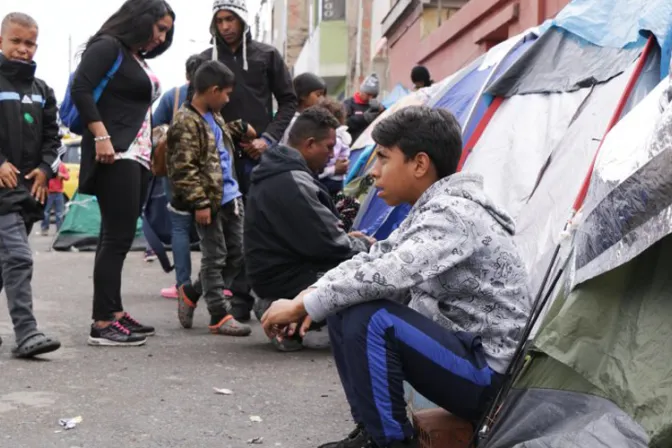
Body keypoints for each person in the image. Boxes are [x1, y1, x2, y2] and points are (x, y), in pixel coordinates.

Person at [261, 106, 531, 448]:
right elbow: (377, 256)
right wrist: (311, 294)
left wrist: (305, 304)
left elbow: (384, 274)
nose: (373, 172)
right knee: (344, 304)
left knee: (369, 316)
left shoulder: (455, 214)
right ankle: (370, 433)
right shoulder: (434, 208)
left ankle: (389, 441)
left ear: (419, 164)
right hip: (466, 357)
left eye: (383, 159)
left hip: (488, 375)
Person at [72, 0, 175, 347]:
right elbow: (81, 89)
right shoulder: (107, 46)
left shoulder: (134, 57)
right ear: (141, 19)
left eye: (166, 32)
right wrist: (101, 135)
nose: (162, 37)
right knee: (116, 239)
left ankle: (114, 312)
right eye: (159, 28)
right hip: (116, 152)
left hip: (137, 156)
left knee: (115, 237)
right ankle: (102, 322)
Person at [244, 107, 372, 351]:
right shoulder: (292, 179)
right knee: (364, 275)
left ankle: (287, 313)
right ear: (310, 144)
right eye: (329, 146)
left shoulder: (277, 171)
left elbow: (316, 233)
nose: (333, 154)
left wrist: (346, 239)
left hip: (271, 274)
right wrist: (366, 246)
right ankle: (289, 317)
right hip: (285, 278)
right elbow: (328, 243)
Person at [203, 0, 298, 321]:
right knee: (226, 230)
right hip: (220, 161)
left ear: (242, 20)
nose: (225, 26)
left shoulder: (266, 56)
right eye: (219, 21)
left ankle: (255, 295)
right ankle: (232, 296)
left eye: (230, 19)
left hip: (260, 158)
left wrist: (267, 140)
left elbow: (288, 101)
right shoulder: (205, 63)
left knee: (260, 226)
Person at [167, 59, 255, 337]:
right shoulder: (185, 122)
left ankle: (191, 292)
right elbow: (184, 169)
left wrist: (241, 127)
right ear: (213, 90)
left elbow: (218, 141)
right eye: (226, 94)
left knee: (236, 253)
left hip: (231, 197)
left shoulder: (213, 117)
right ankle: (219, 314)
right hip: (210, 203)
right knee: (214, 257)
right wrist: (200, 203)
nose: (228, 100)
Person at [0, 12, 61, 357]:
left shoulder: (42, 91)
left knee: (4, 263)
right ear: (1, 41)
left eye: (30, 43)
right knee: (20, 258)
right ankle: (26, 333)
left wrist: (44, 169)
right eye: (16, 41)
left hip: (28, 193)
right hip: (2, 192)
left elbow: (55, 140)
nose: (23, 49)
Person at [154, 54, 206, 299]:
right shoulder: (212, 97)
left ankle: (183, 286)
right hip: (208, 171)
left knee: (180, 227)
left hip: (176, 172)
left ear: (187, 75)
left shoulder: (172, 97)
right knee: (213, 227)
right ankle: (215, 284)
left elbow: (153, 128)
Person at [315, 97, 351, 196]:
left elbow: (330, 159)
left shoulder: (335, 139)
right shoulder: (341, 135)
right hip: (336, 180)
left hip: (330, 180)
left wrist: (332, 169)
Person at [280, 72, 327, 144]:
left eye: (324, 96)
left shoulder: (313, 119)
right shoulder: (293, 122)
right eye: (318, 95)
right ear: (303, 95)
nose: (322, 99)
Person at [343, 73, 385, 143]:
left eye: (374, 96)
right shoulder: (348, 104)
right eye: (368, 94)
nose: (370, 98)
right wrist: (364, 118)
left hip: (370, 144)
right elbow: (345, 124)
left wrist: (382, 110)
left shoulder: (375, 105)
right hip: (354, 144)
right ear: (361, 91)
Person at [40, 162, 70, 235]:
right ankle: (44, 229)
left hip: (59, 192)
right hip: (48, 192)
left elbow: (67, 177)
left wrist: (61, 175)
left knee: (59, 213)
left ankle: (59, 230)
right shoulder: (48, 164)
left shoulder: (61, 165)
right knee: (46, 212)